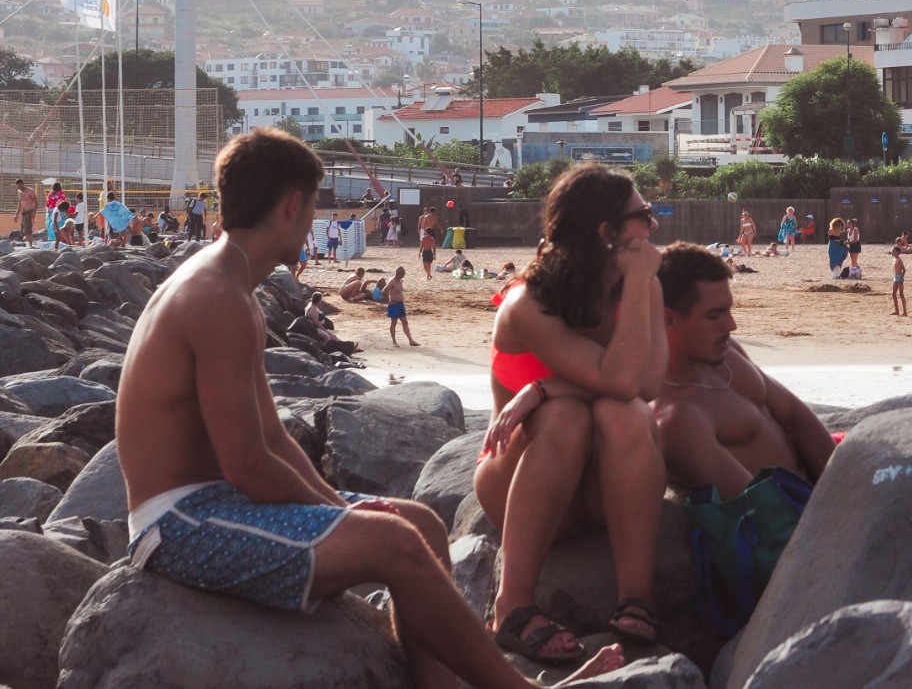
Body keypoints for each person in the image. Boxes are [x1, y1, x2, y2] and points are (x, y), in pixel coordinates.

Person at [115, 130, 622, 688]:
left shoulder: (229, 283)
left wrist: (338, 507)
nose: (313, 221)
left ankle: (439, 684)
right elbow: (246, 464)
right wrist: (344, 516)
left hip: (216, 504)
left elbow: (274, 441)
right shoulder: (216, 298)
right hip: (180, 523)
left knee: (421, 523)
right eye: (314, 206)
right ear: (292, 205)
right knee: (395, 541)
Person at [472, 165, 667, 660]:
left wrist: (543, 388)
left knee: (626, 416)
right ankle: (511, 606)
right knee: (568, 418)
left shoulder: (639, 286)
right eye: (643, 215)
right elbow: (620, 380)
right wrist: (551, 398)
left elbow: (643, 387)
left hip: (600, 492)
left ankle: (636, 600)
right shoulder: (528, 302)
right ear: (607, 233)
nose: (654, 226)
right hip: (525, 478)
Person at [651, 244, 833, 497]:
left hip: (821, 490)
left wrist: (843, 484)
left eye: (729, 309)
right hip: (789, 515)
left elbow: (793, 415)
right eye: (715, 315)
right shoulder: (678, 419)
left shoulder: (727, 354)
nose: (731, 325)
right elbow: (761, 507)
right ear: (669, 319)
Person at [386, 266, 419, 347]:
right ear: (399, 273)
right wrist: (388, 301)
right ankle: (394, 341)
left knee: (405, 322)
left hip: (400, 305)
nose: (404, 274)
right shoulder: (392, 281)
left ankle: (410, 340)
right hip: (394, 305)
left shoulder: (400, 281)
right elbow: (384, 291)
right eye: (403, 272)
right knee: (394, 323)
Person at [12, 178, 37, 245]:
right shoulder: (19, 192)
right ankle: (28, 244)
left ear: (23, 184)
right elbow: (20, 203)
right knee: (23, 229)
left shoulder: (30, 191)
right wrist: (16, 214)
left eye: (20, 185)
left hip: (30, 211)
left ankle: (31, 245)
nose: (20, 187)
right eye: (18, 186)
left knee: (28, 229)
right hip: (23, 213)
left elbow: (36, 202)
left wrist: (34, 213)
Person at [890, 244, 908, 317]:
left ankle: (905, 312)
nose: (892, 252)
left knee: (901, 294)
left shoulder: (899, 260)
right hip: (896, 277)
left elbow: (904, 270)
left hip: (899, 277)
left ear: (897, 252)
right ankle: (896, 310)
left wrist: (901, 278)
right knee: (893, 294)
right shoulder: (895, 259)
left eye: (893, 251)